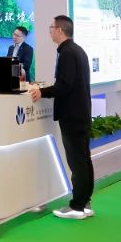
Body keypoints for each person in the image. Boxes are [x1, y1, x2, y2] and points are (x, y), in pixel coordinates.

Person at [28, 15, 94, 220]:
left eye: (51, 27)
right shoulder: (76, 50)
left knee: (77, 161)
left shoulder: (67, 53)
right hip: (80, 113)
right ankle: (84, 202)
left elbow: (64, 85)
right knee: (83, 159)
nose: (49, 31)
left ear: (59, 30)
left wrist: (42, 92)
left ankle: (77, 206)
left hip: (72, 114)